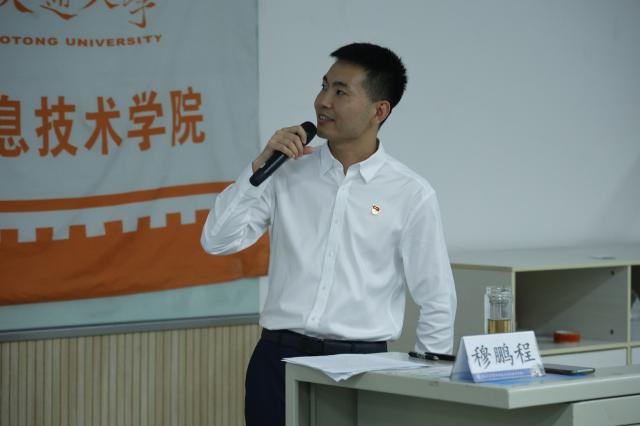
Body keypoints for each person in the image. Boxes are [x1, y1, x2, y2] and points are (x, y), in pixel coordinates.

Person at [201, 42, 456, 426]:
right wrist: (257, 168)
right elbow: (217, 240)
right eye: (323, 87)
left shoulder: (410, 193)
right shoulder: (286, 172)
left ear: (379, 111)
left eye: (340, 92)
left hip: (362, 366)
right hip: (277, 358)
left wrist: (426, 386)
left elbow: (436, 298)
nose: (323, 101)